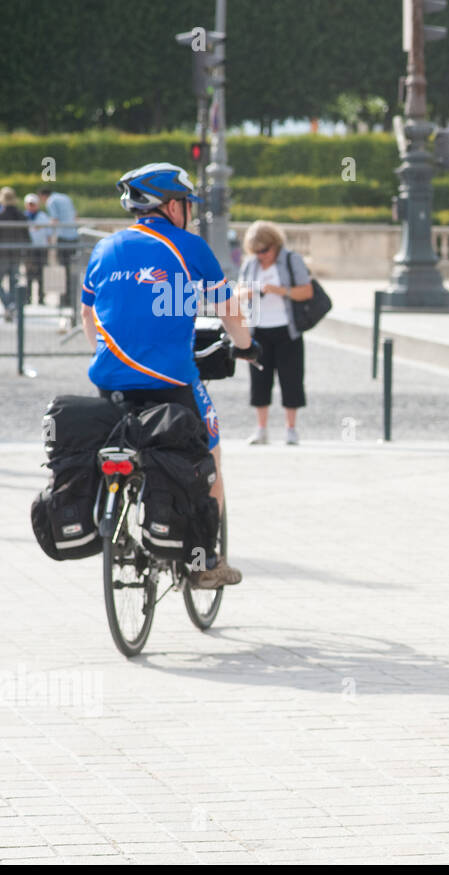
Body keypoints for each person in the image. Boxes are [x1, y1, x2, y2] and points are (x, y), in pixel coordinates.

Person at [79, 162, 259, 588]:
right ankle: (205, 562)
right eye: (187, 204)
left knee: (125, 446)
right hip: (172, 384)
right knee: (208, 450)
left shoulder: (104, 249)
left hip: (108, 381)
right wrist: (248, 347)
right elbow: (227, 309)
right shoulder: (190, 247)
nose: (189, 213)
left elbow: (88, 315)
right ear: (172, 206)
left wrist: (110, 359)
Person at [237, 220, 312, 445]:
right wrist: (250, 292)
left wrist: (279, 290)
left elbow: (306, 291)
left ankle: (291, 428)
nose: (262, 255)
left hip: (287, 330)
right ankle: (261, 428)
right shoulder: (251, 265)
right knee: (259, 381)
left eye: (265, 250)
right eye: (257, 252)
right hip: (258, 329)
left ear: (274, 244)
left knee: (291, 380)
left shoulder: (291, 260)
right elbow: (237, 291)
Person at [39, 187, 79, 307]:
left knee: (63, 269)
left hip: (63, 237)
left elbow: (54, 220)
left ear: (43, 196)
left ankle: (64, 300)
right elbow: (75, 215)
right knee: (73, 269)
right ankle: (72, 299)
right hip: (74, 236)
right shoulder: (65, 197)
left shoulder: (51, 201)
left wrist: (49, 235)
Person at [0, 187, 24, 320]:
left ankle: (7, 304)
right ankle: (11, 304)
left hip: (2, 254)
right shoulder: (21, 215)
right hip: (16, 254)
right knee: (14, 282)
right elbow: (26, 235)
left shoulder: (2, 215)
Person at [23, 193, 51, 306]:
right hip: (29, 249)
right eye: (29, 204)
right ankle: (28, 297)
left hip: (41, 248)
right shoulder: (24, 216)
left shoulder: (43, 216)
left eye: (33, 204)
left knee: (41, 274)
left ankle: (41, 298)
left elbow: (48, 233)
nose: (31, 206)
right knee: (29, 274)